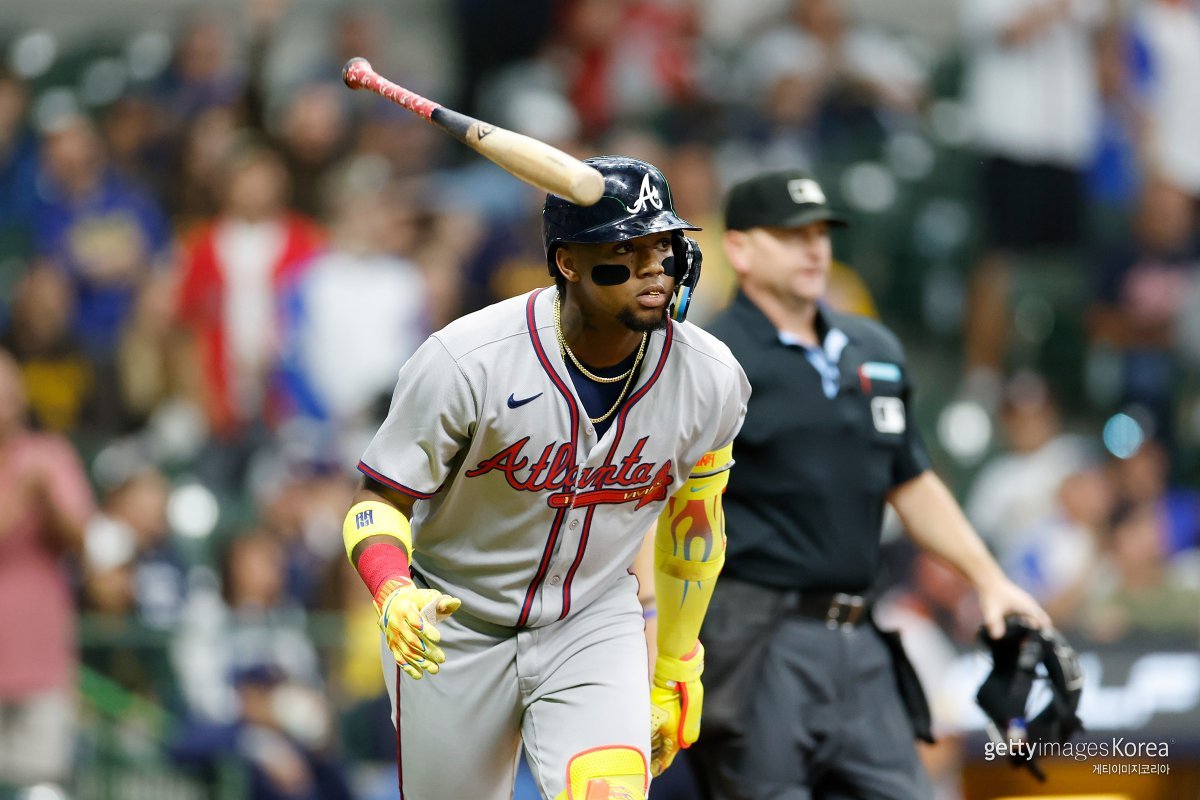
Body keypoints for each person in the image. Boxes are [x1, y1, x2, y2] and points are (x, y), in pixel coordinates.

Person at [338, 155, 749, 800]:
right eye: (626, 248)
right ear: (568, 263)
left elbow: (694, 531)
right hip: (455, 621)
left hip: (591, 618)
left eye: (663, 245)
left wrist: (676, 661)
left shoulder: (710, 378)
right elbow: (378, 499)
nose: (654, 267)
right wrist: (392, 589)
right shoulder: (467, 361)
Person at [688, 169, 1051, 800]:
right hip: (754, 633)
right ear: (739, 249)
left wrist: (989, 579)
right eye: (791, 235)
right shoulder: (708, 355)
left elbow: (911, 482)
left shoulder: (872, 347)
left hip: (859, 631)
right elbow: (661, 494)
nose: (814, 249)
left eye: (821, 233)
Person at [0, 348, 97, 791]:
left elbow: (85, 542)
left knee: (41, 788)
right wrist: (20, 498)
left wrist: (50, 503)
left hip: (40, 661)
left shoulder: (50, 454)